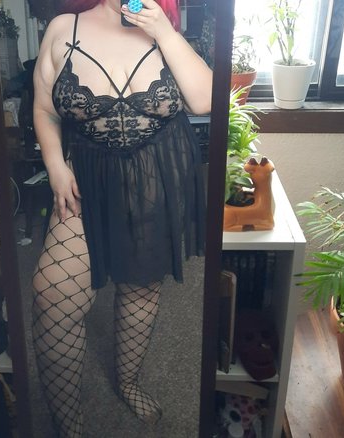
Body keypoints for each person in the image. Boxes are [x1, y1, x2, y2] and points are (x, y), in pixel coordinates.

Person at [31, 0, 213, 436]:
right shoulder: (64, 28)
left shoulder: (165, 31)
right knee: (53, 296)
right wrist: (54, 165)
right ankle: (68, 423)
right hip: (85, 179)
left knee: (141, 288)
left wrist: (164, 31)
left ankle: (127, 382)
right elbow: (44, 108)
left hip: (155, 177)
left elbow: (204, 99)